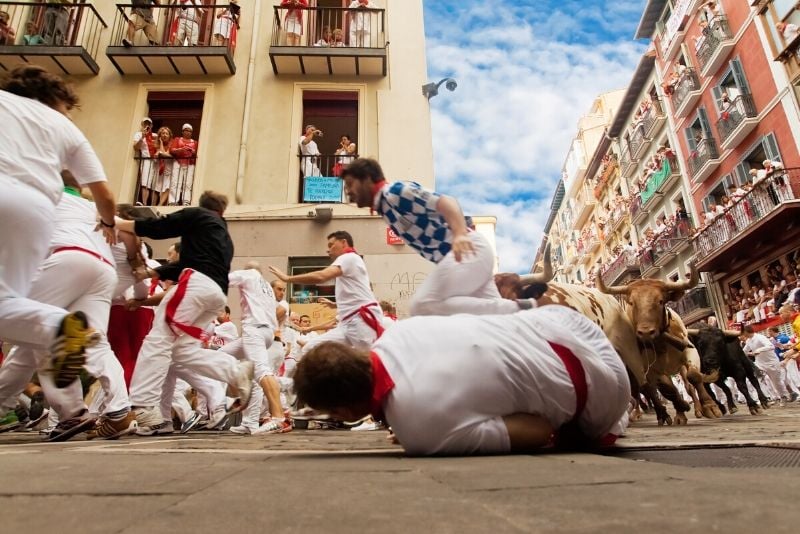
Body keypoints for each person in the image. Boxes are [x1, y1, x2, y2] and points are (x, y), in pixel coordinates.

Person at [293, 305, 630, 456]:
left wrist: (428, 431)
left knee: (575, 434)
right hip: (565, 323)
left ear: (342, 411)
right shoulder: (400, 331)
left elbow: (539, 431)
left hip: (606, 390)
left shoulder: (420, 433)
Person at [0, 65, 117, 402]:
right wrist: (108, 224)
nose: (68, 114)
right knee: (7, 302)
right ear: (53, 99)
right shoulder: (64, 127)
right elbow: (104, 195)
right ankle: (58, 325)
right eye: (67, 107)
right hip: (36, 210)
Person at [0, 173, 136, 441]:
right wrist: (136, 263)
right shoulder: (91, 208)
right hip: (103, 269)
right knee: (92, 341)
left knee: (35, 326)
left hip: (67, 259)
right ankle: (119, 410)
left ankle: (72, 411)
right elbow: (132, 235)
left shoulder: (45, 198)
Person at [113, 191, 254, 434]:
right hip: (215, 294)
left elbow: (159, 227)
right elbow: (186, 262)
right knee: (182, 351)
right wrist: (151, 274)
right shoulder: (222, 235)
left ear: (202, 205)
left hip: (196, 285)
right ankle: (234, 370)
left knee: (158, 340)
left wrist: (114, 222)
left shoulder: (197, 215)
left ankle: (144, 404)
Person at [341, 158, 527, 317]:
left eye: (350, 184)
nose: (348, 192)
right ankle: (522, 321)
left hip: (466, 251)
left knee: (421, 305)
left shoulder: (395, 193)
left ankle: (515, 308)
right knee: (496, 321)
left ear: (366, 178)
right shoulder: (386, 208)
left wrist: (460, 234)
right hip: (467, 255)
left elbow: (446, 202)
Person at [270, 231, 384, 356]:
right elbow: (356, 296)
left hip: (360, 320)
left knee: (372, 361)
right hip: (346, 324)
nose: (328, 250)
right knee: (310, 349)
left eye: (331, 245)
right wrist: (335, 305)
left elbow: (321, 276)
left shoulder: (349, 257)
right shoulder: (349, 262)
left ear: (343, 242)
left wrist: (287, 278)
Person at [222, 262, 291, 434]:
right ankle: (250, 421)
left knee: (261, 372)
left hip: (255, 330)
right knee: (221, 355)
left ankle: (278, 417)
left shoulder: (249, 275)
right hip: (265, 332)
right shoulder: (266, 285)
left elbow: (222, 280)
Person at [742, 325, 792, 406]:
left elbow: (771, 346)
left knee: (776, 382)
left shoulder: (760, 337)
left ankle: (783, 396)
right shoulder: (748, 341)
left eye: (743, 332)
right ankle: (767, 398)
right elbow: (744, 351)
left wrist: (759, 350)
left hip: (771, 362)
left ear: (746, 331)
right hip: (759, 363)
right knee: (759, 379)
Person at [169, 123, 198, 205]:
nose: (188, 132)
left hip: (190, 164)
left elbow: (197, 153)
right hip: (178, 162)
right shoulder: (177, 139)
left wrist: (193, 152)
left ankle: (186, 201)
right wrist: (181, 149)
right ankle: (173, 201)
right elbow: (172, 150)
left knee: (188, 183)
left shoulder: (195, 142)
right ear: (183, 131)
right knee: (175, 182)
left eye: (190, 131)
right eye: (186, 130)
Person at [133, 117, 158, 206]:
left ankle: (153, 205)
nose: (147, 125)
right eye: (145, 123)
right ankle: (144, 202)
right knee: (145, 182)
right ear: (142, 125)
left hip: (156, 161)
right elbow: (136, 147)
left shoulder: (155, 135)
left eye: (149, 124)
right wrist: (143, 136)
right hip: (146, 160)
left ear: (152, 125)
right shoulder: (139, 134)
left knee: (155, 184)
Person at [153, 126, 174, 206]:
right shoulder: (157, 146)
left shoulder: (172, 145)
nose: (165, 135)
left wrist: (160, 153)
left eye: (166, 133)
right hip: (161, 172)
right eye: (163, 133)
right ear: (160, 136)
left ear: (169, 136)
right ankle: (161, 205)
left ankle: (159, 204)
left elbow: (162, 154)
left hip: (169, 170)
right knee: (161, 189)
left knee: (168, 187)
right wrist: (161, 143)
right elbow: (158, 155)